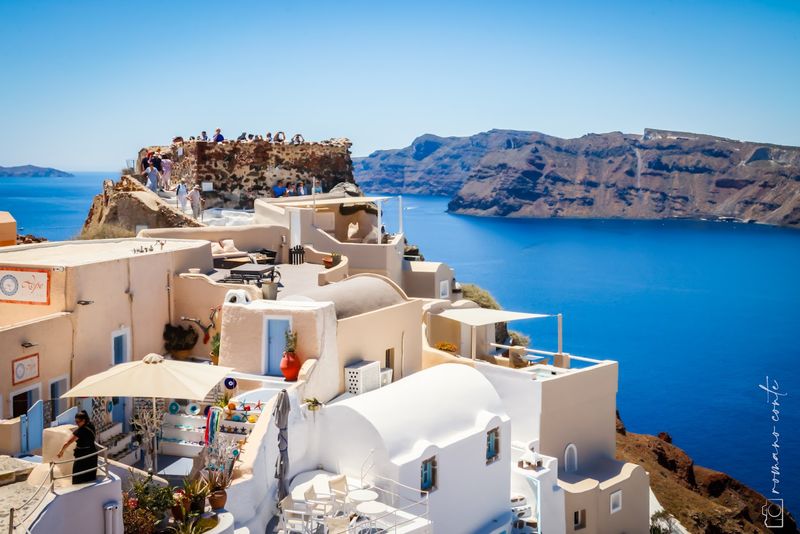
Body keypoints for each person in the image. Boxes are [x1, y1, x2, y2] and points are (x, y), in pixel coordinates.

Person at [57, 410, 97, 484]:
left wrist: (61, 452)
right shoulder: (91, 425)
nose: (76, 423)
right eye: (76, 421)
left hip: (83, 456)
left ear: (84, 420)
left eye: (78, 422)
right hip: (92, 454)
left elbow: (68, 443)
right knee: (89, 477)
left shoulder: (80, 431)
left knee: (78, 477)